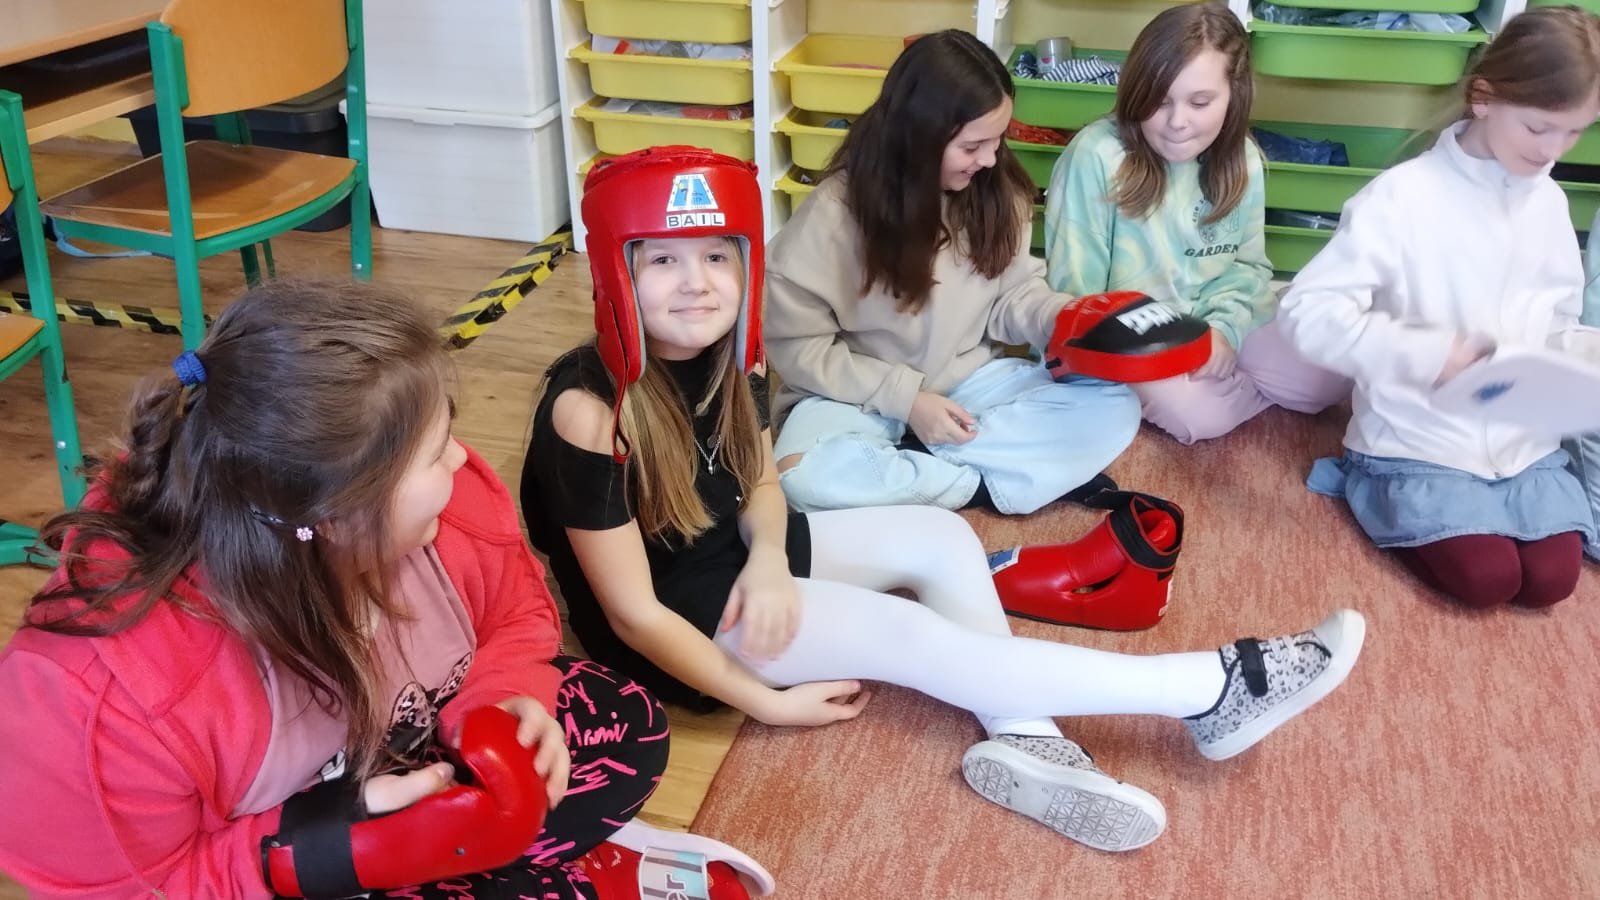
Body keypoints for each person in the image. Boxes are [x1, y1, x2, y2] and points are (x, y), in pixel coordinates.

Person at [521, 146, 1367, 854]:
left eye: (716, 256)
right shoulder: (588, 411)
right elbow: (635, 614)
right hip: (685, 621)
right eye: (663, 259)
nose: (696, 283)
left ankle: (1029, 742)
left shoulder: (729, 355)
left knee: (942, 536)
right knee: (915, 637)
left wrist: (772, 559)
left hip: (741, 562)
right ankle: (1209, 688)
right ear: (617, 269)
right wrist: (764, 702)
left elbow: (764, 483)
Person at [0, 281, 672, 899]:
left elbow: (515, 615)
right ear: (332, 514)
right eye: (434, 453)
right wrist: (316, 852)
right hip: (268, 853)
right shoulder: (100, 703)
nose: (462, 458)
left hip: (399, 750)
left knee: (628, 722)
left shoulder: (449, 509)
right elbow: (126, 887)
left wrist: (503, 694)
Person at [1280, 5, 1600, 609]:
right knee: (1488, 579)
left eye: (1574, 132)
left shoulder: (1550, 203)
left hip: (1519, 442)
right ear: (1484, 98)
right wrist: (1428, 353)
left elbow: (1557, 318)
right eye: (1539, 128)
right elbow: (1307, 313)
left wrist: (1582, 357)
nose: (1554, 150)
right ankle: (1365, 486)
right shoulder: (1403, 197)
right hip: (1417, 438)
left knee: (1551, 581)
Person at [761, 29, 1142, 515]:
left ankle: (921, 469)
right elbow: (798, 348)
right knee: (801, 479)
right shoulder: (834, 216)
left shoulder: (996, 190)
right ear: (919, 137)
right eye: (972, 145)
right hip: (856, 397)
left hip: (969, 385)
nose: (990, 158)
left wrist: (1062, 319)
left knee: (1116, 405)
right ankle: (979, 482)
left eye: (998, 140)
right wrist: (906, 401)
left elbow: (1013, 295)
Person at [1044, 2, 1349, 444]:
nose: (1177, 122)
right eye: (1159, 100)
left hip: (1214, 319)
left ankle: (1230, 381)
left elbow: (1247, 268)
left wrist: (1223, 331)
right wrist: (1170, 354)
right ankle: (1239, 386)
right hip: (1136, 339)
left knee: (1333, 377)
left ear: (1234, 94)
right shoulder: (1095, 156)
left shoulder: (1243, 157)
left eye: (1200, 102)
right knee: (1198, 417)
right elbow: (1078, 300)